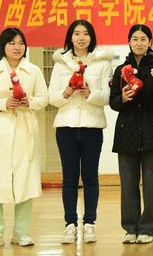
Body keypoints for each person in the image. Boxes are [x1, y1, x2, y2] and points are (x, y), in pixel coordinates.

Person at [0, 28, 48, 250]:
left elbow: (44, 98)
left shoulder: (33, 71)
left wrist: (29, 102)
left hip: (25, 129)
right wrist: (2, 104)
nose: (17, 47)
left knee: (25, 181)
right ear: (3, 46)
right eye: (12, 43)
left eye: (21, 43)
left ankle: (21, 232)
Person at [48, 19, 112, 244]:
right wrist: (65, 93)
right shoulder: (60, 63)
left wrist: (90, 93)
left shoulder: (102, 63)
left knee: (90, 176)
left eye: (86, 33)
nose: (81, 38)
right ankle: (70, 224)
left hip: (92, 127)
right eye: (77, 33)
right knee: (69, 177)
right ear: (70, 37)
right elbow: (52, 98)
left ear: (91, 37)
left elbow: (107, 97)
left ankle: (89, 223)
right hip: (65, 127)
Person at [110, 24, 153, 245]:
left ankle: (149, 228)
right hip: (127, 131)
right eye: (135, 39)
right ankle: (130, 228)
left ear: (150, 42)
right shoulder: (121, 69)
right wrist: (123, 98)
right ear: (129, 42)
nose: (139, 43)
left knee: (151, 184)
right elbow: (113, 102)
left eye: (143, 39)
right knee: (128, 184)